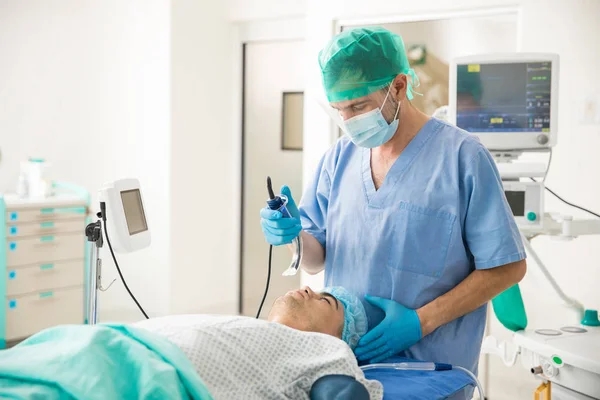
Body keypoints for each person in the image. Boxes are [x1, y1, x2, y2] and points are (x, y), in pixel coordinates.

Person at [259, 26, 527, 377]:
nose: (349, 122)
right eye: (339, 110)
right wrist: (293, 235)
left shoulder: (463, 157)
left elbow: (507, 267)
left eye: (358, 106)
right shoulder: (338, 160)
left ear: (398, 87)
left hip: (431, 372)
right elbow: (315, 259)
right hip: (349, 371)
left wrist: (421, 322)